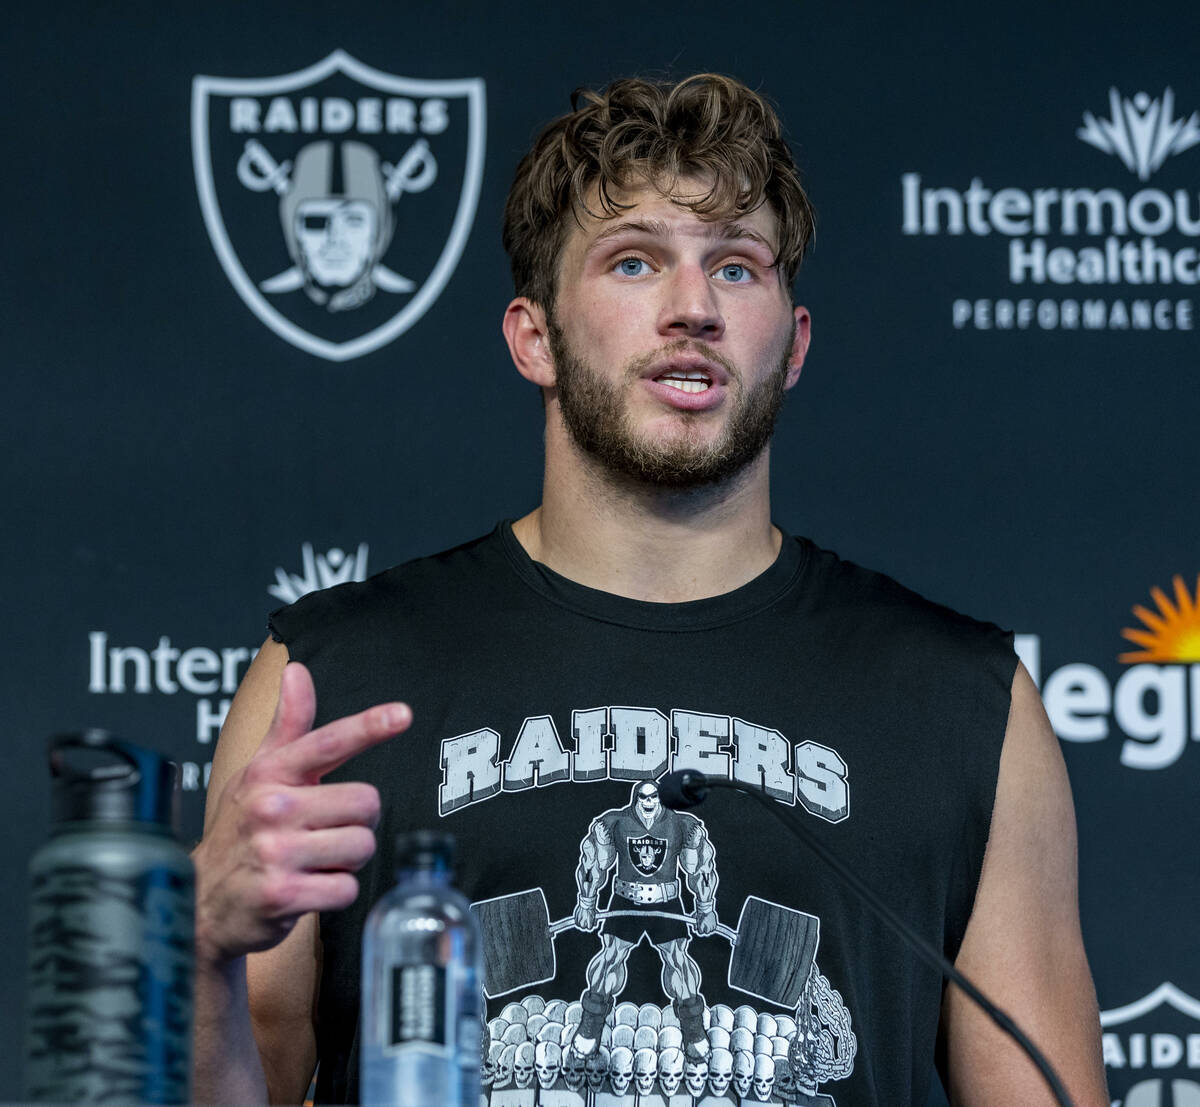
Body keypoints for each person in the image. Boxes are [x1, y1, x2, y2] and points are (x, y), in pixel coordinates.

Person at [191, 74, 1110, 1106]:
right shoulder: (334, 679)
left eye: (736, 267)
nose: (693, 309)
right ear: (533, 336)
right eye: (635, 261)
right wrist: (206, 958)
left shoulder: (964, 704)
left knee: (676, 980)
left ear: (793, 345)